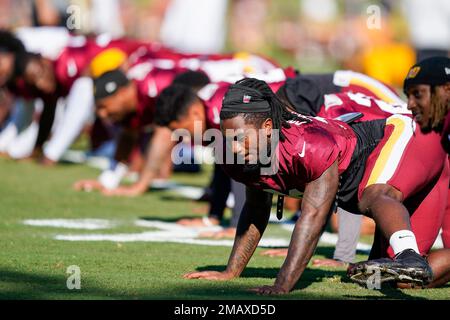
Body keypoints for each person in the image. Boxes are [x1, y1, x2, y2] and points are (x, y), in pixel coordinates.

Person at [184, 78, 448, 293]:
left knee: (373, 194)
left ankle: (407, 252)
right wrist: (232, 271)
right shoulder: (237, 157)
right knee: (402, 280)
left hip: (403, 135)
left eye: (241, 138)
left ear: (267, 128)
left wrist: (282, 285)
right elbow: (255, 209)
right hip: (396, 164)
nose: (235, 148)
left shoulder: (306, 146)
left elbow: (312, 217)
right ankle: (410, 257)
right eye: (229, 139)